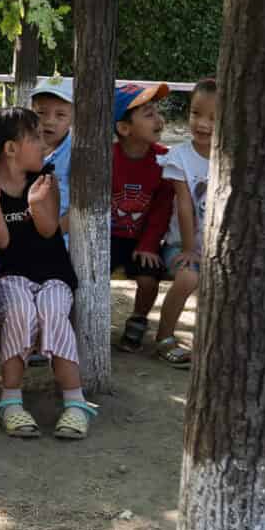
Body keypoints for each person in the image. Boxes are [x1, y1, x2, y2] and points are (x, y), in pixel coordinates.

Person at [0, 108, 92, 439]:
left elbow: (48, 231)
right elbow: (0, 241)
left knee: (54, 311)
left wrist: (35, 204)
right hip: (9, 274)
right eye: (35, 138)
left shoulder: (45, 178)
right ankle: (10, 400)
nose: (44, 145)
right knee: (20, 312)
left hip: (53, 273)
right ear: (12, 148)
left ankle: (75, 403)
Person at [154, 78, 216, 367]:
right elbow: (184, 206)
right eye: (196, 113)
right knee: (189, 277)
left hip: (218, 248)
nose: (202, 123)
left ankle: (215, 341)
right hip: (181, 243)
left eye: (214, 118)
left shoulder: (235, 157)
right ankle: (164, 336)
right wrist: (191, 249)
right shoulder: (179, 157)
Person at [111, 82, 173, 352]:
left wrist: (148, 244)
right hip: (108, 237)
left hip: (142, 238)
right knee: (87, 274)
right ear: (124, 129)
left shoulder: (164, 160)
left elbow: (162, 209)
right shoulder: (107, 158)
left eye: (157, 111)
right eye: (148, 114)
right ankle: (81, 322)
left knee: (149, 277)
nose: (159, 119)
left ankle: (138, 319)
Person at [31, 74, 75, 214]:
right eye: (41, 112)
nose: (49, 121)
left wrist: (53, 235)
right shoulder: (21, 147)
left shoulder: (76, 153)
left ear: (73, 117)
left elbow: (80, 207)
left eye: (60, 115)